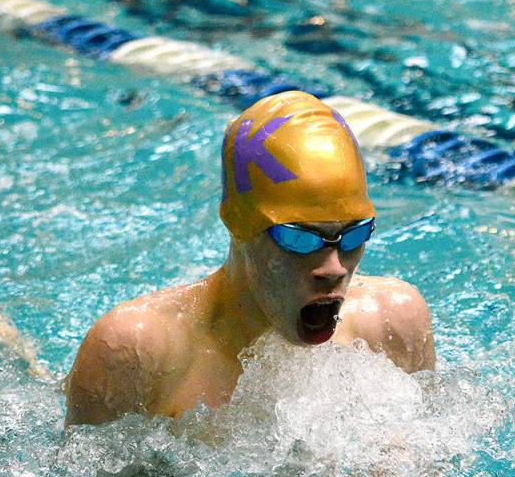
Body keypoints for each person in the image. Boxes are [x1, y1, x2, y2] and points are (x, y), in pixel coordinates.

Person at [65, 91, 435, 425]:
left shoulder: (395, 324)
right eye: (300, 238)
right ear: (241, 225)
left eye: (353, 234)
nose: (334, 267)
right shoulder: (136, 353)